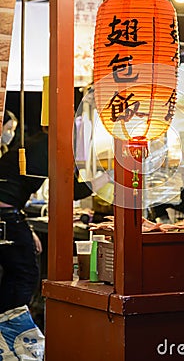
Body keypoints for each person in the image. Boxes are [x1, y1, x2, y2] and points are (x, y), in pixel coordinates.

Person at [0, 128, 108, 314]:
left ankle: (9, 328)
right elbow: (70, 190)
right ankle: (11, 331)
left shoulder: (40, 143)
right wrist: (108, 177)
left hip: (10, 214)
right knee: (25, 274)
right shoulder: (52, 148)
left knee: (16, 272)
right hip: (7, 216)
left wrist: (27, 227)